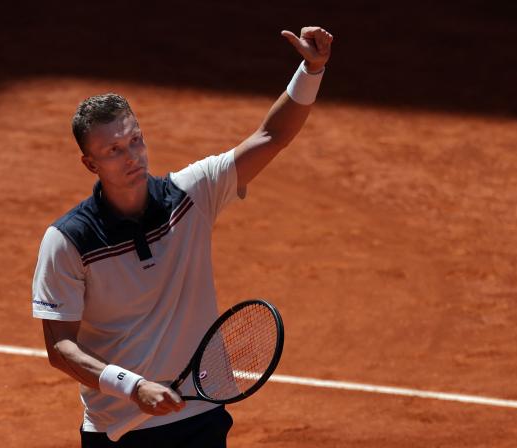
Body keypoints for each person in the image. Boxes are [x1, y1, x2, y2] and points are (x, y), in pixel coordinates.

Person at [32, 25, 333, 448]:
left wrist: (311, 68)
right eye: (113, 151)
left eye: (134, 140)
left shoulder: (192, 194)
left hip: (202, 417)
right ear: (89, 163)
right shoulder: (68, 240)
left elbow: (271, 135)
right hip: (120, 432)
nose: (131, 156)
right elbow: (60, 347)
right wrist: (133, 387)